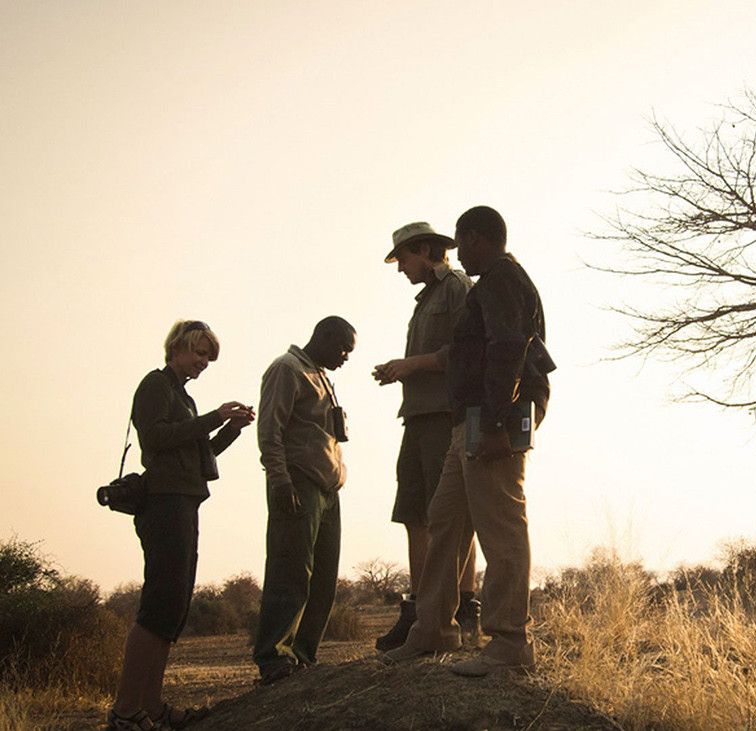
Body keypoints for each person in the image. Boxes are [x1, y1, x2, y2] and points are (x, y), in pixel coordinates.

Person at [384, 205, 553, 677]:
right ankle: (432, 629)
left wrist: (497, 424)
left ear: (478, 238)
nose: (460, 255)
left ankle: (509, 642)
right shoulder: (492, 283)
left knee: (500, 525)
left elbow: (507, 350)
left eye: (463, 243)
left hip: (490, 420)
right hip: (472, 420)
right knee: (444, 519)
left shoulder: (502, 280)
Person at [107, 321, 254, 731]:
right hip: (163, 504)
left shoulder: (182, 397)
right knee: (157, 607)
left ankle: (150, 709)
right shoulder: (155, 386)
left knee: (172, 607)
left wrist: (230, 428)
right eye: (199, 353)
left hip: (185, 501)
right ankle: (124, 711)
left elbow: (198, 455)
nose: (204, 362)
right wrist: (212, 416)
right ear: (177, 347)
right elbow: (155, 439)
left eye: (208, 356)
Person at [372, 221, 479, 652]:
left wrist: (411, 365)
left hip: (445, 417)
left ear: (422, 250)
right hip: (417, 416)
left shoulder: (456, 287)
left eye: (403, 259)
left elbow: (469, 352)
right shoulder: (426, 298)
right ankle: (419, 611)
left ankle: (460, 609)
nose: (400, 270)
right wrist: (401, 369)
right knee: (415, 513)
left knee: (450, 517)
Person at [251, 316, 356, 684]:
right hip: (297, 483)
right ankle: (274, 656)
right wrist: (280, 482)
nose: (345, 357)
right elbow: (270, 431)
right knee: (290, 570)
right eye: (342, 349)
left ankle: (302, 656)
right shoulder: (287, 369)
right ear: (323, 337)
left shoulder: (322, 374)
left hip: (328, 490)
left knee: (324, 578)